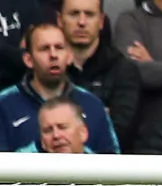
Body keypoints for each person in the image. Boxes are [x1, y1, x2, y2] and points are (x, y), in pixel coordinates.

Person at [0, 22, 118, 154]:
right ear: (28, 60)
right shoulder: (4, 104)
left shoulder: (92, 104)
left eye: (59, 47)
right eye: (44, 49)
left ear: (69, 56)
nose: (53, 55)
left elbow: (112, 162)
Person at [62, 0, 141, 148]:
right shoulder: (49, 68)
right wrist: (99, 117)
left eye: (89, 14)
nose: (81, 22)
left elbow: (120, 134)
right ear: (60, 20)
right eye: (74, 14)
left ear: (101, 21)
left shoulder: (123, 70)